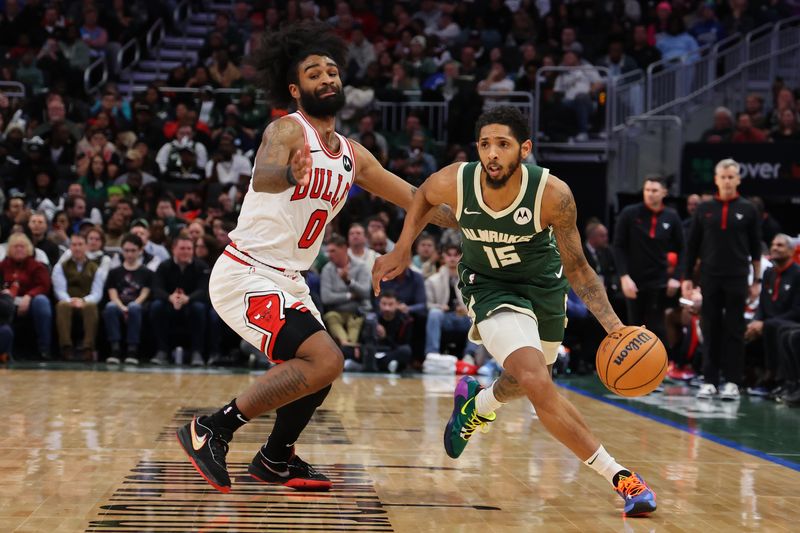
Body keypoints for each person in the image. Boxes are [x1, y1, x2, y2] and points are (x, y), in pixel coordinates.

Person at [176, 21, 455, 494]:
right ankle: (211, 430)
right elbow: (263, 175)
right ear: (295, 88)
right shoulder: (288, 129)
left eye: (332, 72)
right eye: (314, 73)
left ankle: (274, 459)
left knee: (318, 373)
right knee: (325, 359)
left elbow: (417, 199)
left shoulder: (353, 155)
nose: (327, 79)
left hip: (290, 279)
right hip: (246, 272)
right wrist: (289, 170)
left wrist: (475, 214)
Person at [373, 106, 657, 517]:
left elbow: (578, 266)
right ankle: (624, 479)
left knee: (524, 380)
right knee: (536, 380)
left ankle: (479, 405)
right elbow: (423, 196)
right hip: (488, 288)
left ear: (523, 149)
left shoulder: (552, 194)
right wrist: (402, 249)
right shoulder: (457, 179)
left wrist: (614, 327)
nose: (492, 153)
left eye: (503, 144)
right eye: (485, 144)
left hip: (543, 289)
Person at [682, 159, 761, 401]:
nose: (727, 181)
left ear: (738, 179)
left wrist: (756, 280)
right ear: (716, 179)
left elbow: (756, 250)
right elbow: (692, 246)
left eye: (731, 177)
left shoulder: (748, 209)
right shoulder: (705, 209)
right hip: (710, 277)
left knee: (735, 331)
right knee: (710, 328)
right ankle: (709, 381)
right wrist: (686, 278)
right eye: (723, 177)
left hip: (737, 278)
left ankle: (733, 382)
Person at [613, 176, 684, 342]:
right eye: (647, 190)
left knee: (657, 327)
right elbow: (618, 246)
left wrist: (676, 277)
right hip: (633, 280)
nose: (650, 194)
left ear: (664, 192)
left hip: (658, 281)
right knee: (633, 329)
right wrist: (624, 276)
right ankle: (634, 367)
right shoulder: (629, 214)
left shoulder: (671, 217)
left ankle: (662, 366)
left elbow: (683, 249)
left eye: (654, 191)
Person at [52, 233, 104, 361]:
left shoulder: (95, 267)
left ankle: (88, 348)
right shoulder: (61, 267)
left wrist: (84, 301)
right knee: (62, 305)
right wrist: (71, 301)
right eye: (74, 245)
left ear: (86, 246)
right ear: (70, 247)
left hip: (86, 302)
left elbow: (97, 292)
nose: (77, 248)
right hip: (68, 301)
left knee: (91, 306)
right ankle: (66, 348)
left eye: (80, 245)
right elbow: (59, 290)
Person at [102, 233, 152, 365]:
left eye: (133, 251)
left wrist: (131, 307)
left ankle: (132, 350)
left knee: (134, 308)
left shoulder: (146, 272)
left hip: (137, 305)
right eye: (126, 250)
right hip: (119, 304)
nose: (129, 254)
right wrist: (123, 308)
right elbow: (112, 295)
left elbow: (144, 294)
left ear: (140, 251)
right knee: (110, 307)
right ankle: (115, 349)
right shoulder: (114, 272)